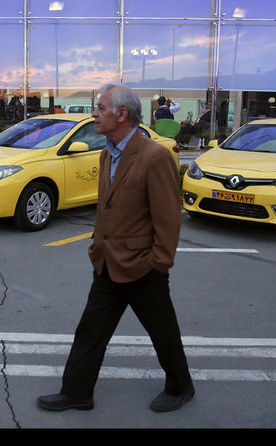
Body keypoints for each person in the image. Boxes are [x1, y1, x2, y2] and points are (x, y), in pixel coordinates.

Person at [37, 83, 194, 414]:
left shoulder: (155, 156)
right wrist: (98, 247)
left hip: (143, 267)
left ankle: (181, 386)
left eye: (101, 108)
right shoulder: (108, 151)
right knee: (91, 330)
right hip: (107, 262)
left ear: (122, 114)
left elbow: (168, 217)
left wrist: (159, 263)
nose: (95, 113)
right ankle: (77, 392)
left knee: (162, 332)